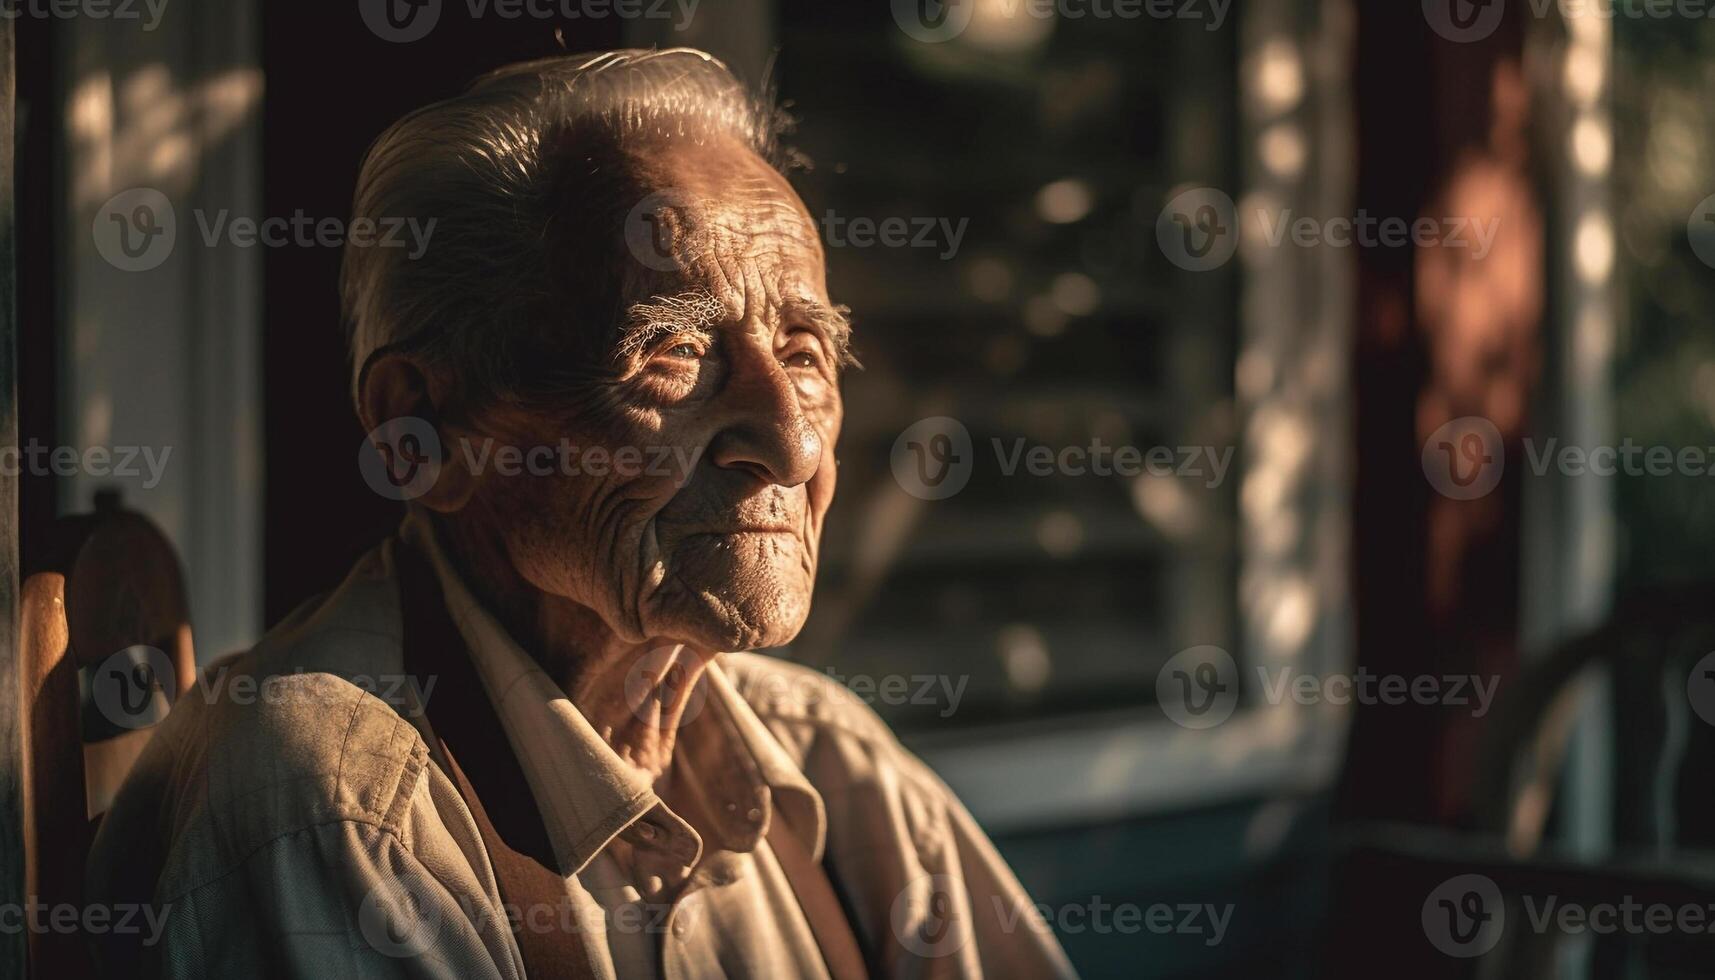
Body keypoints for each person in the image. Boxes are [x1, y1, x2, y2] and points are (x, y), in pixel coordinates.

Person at [86, 48, 1077, 979]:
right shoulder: (333, 805)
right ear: (420, 430)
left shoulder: (826, 763)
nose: (792, 443)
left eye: (807, 353)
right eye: (672, 354)